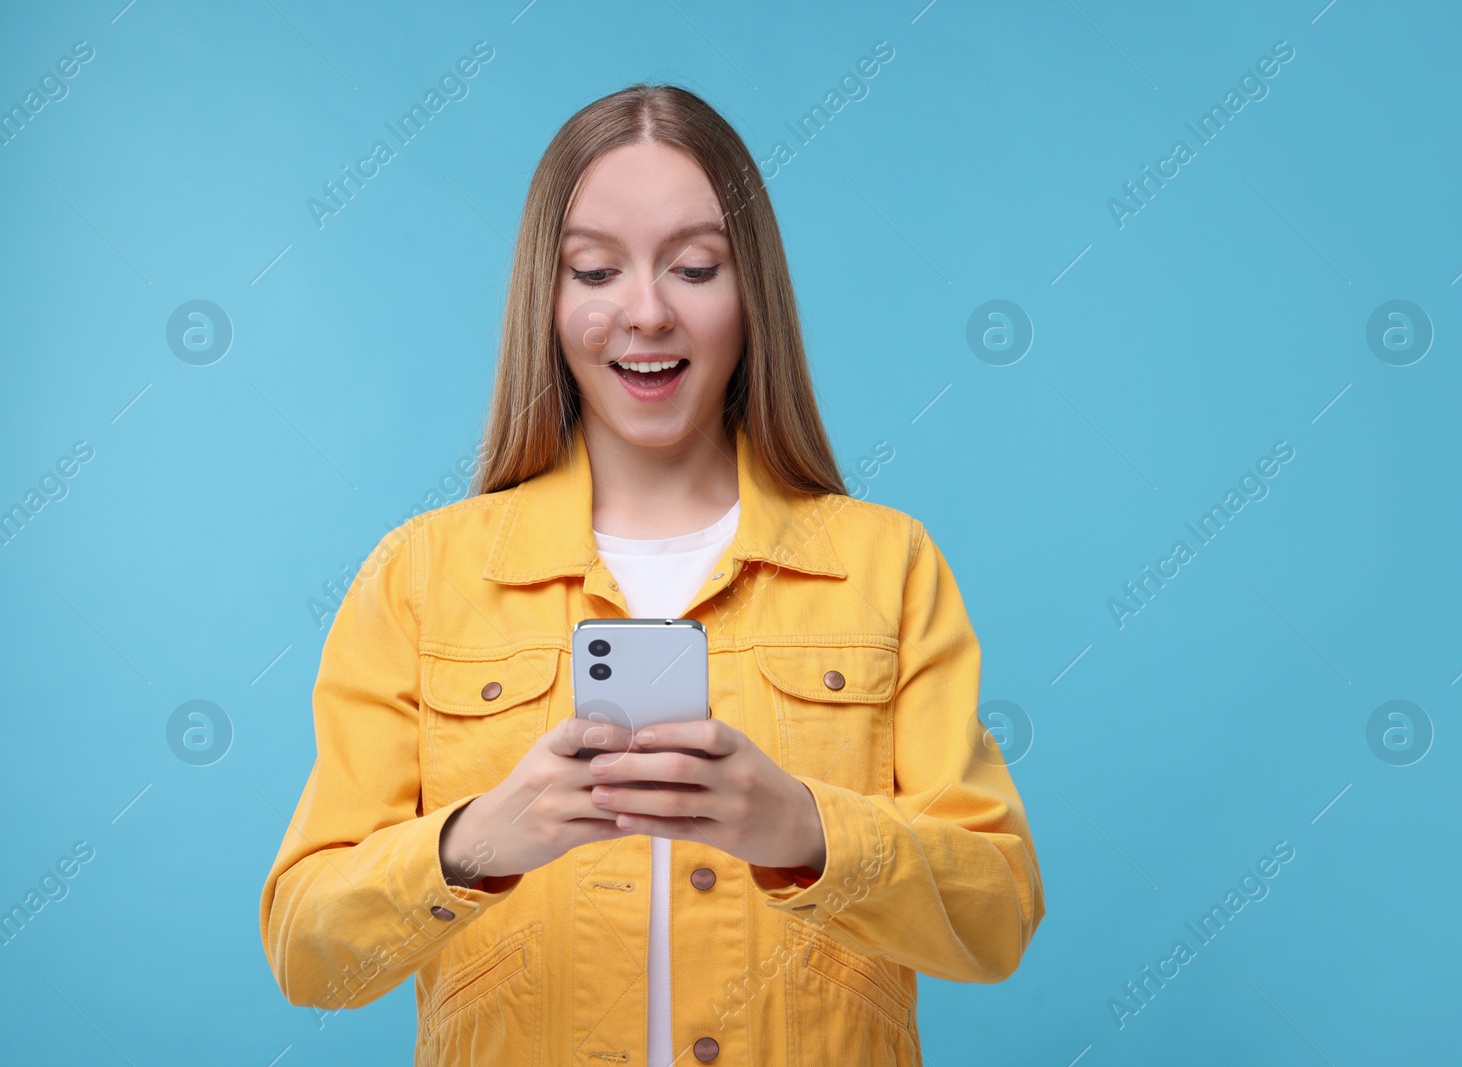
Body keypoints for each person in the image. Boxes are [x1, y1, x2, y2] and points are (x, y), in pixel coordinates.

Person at [259, 82, 1045, 1067]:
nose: (645, 311)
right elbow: (307, 952)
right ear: (547, 301)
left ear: (749, 291)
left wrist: (803, 827)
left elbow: (995, 916)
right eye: (594, 269)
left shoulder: (886, 564)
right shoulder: (421, 575)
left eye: (695, 266)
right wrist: (471, 842)